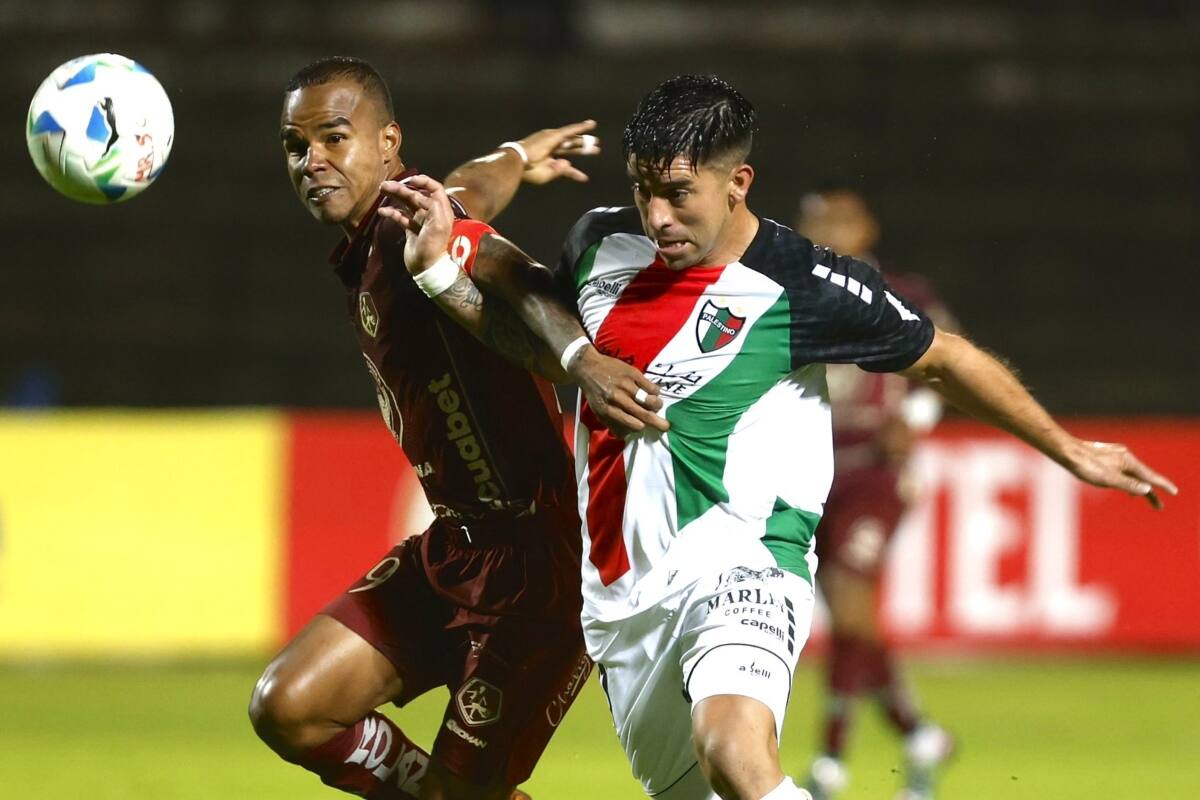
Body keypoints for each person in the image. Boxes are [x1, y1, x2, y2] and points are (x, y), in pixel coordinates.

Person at [384, 74, 1177, 800]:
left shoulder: (803, 284)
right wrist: (456, 273)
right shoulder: (600, 242)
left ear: (739, 184)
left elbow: (945, 358)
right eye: (644, 191)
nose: (658, 216)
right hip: (623, 601)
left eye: (679, 194)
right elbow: (542, 334)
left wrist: (1067, 448)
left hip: (746, 563)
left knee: (737, 751)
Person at [248, 56, 666, 800]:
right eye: (294, 145)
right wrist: (519, 156)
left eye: (333, 138)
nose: (311, 160)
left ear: (387, 143)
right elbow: (474, 182)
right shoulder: (402, 216)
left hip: (540, 565)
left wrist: (582, 361)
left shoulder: (409, 234)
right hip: (455, 547)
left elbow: (506, 269)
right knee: (290, 707)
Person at [794, 189, 957, 800]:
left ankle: (829, 761)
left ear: (866, 229)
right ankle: (919, 736)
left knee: (851, 601)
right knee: (850, 617)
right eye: (815, 222)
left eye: (838, 221)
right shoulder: (790, 290)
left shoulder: (907, 294)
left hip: (872, 472)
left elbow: (949, 364)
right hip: (810, 470)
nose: (827, 231)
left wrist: (913, 418)